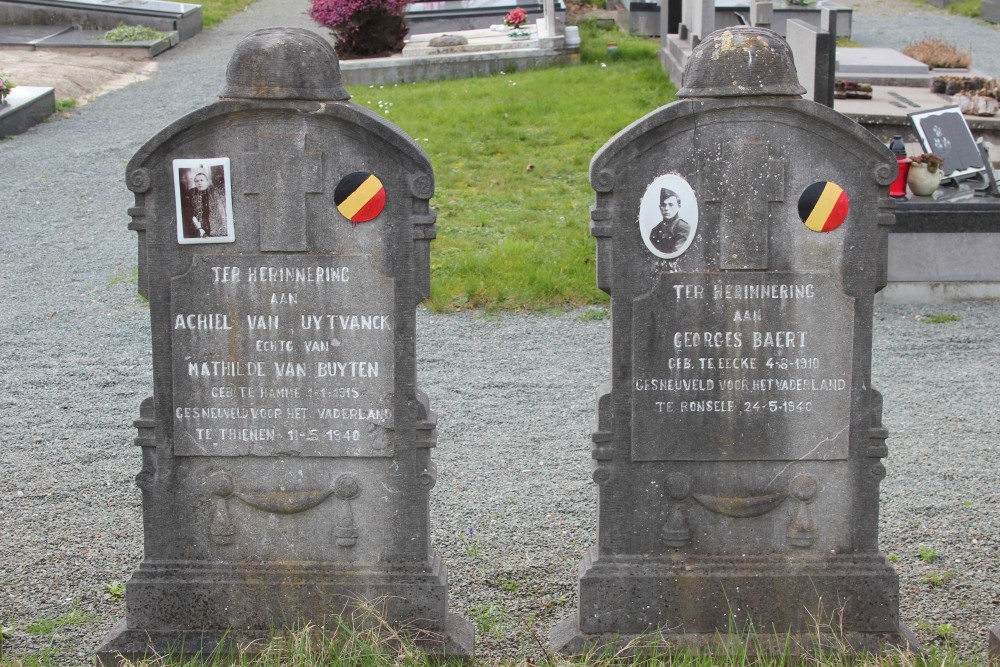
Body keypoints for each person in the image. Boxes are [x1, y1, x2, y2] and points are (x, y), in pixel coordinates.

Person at [181, 168, 228, 239]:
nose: (199, 183)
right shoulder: (192, 193)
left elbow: (222, 211)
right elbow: (190, 213)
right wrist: (198, 227)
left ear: (207, 181)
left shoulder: (215, 192)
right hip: (199, 225)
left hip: (214, 225)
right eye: (197, 181)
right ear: (195, 183)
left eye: (201, 180)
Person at [648, 187, 691, 255]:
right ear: (660, 207)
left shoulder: (683, 228)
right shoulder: (655, 230)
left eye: (671, 205)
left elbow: (675, 254)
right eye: (663, 205)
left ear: (678, 206)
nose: (666, 208)